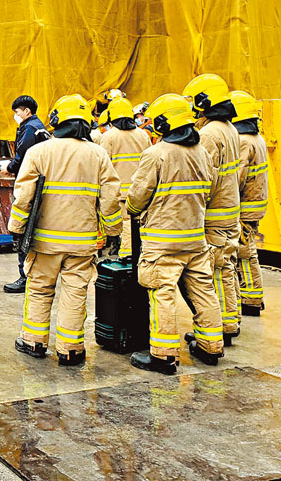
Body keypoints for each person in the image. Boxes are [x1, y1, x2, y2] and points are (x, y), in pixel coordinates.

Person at [9, 94, 122, 366]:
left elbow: (24, 195)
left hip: (44, 242)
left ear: (57, 120)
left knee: (39, 289)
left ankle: (34, 342)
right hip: (82, 244)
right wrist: (113, 231)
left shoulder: (39, 152)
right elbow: (111, 197)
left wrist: (16, 228)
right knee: (75, 293)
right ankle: (71, 350)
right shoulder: (98, 154)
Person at [125, 94, 224, 374]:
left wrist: (132, 209)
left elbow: (137, 197)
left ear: (163, 123)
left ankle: (163, 356)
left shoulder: (156, 154)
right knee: (204, 291)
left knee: (162, 294)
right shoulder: (202, 152)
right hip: (195, 238)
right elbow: (212, 190)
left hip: (162, 241)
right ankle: (211, 347)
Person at [183, 74, 242, 345]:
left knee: (210, 273)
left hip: (214, 214)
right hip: (231, 211)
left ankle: (213, 330)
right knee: (226, 268)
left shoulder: (208, 133)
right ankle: (229, 322)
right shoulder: (230, 129)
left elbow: (205, 178)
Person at [4, 95, 50, 293]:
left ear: (26, 111)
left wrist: (10, 167)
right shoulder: (39, 126)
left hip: (29, 183)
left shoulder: (30, 128)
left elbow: (23, 154)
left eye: (17, 112)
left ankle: (25, 276)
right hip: (40, 182)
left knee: (23, 228)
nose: (16, 115)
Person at [97, 97, 151, 258]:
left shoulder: (109, 137)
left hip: (119, 193)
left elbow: (102, 166)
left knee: (126, 229)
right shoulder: (143, 135)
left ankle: (127, 262)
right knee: (141, 228)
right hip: (142, 191)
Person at [231, 90, 268, 316]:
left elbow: (238, 176)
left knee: (245, 252)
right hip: (255, 204)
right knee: (247, 249)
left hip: (244, 205)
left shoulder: (244, 141)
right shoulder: (258, 138)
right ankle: (253, 297)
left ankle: (252, 300)